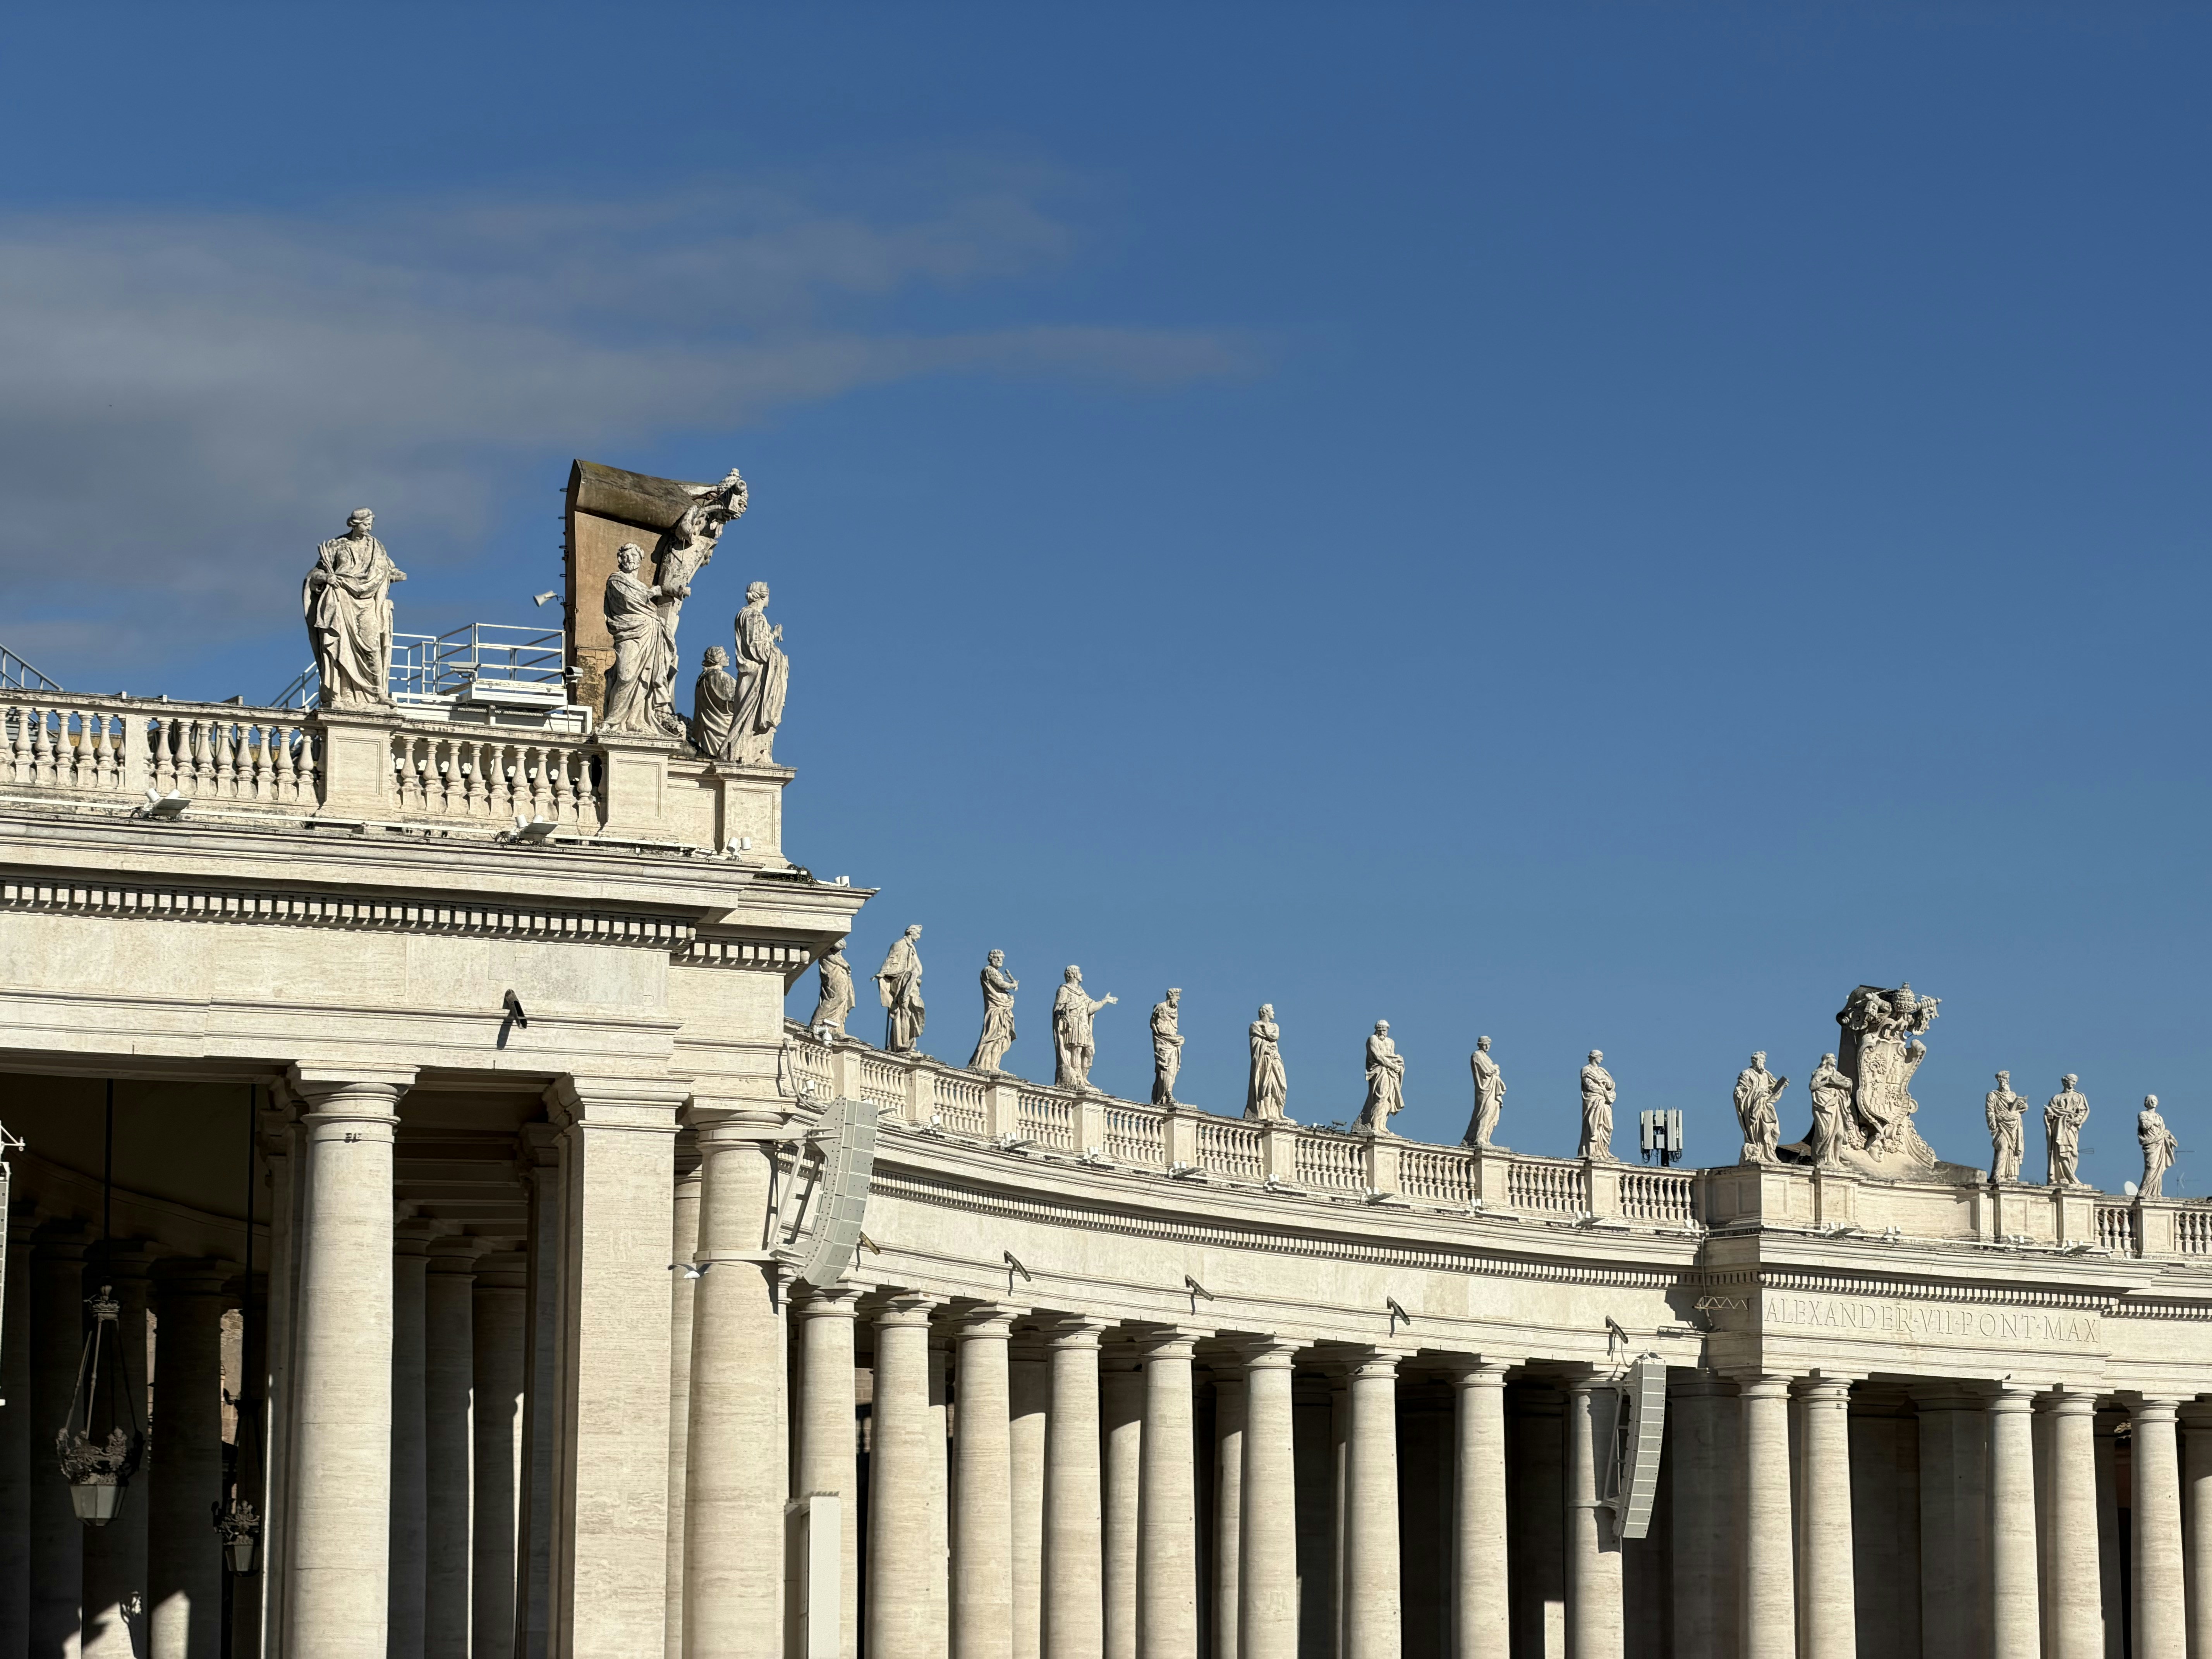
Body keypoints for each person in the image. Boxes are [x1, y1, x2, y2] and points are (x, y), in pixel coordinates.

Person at [304, 508, 405, 709]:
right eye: (365, 524)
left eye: (370, 524)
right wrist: (326, 577)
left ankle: (378, 694)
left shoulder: (377, 547)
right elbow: (315, 575)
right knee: (342, 647)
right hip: (342, 599)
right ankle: (345, 693)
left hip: (369, 603)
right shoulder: (337, 545)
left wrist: (392, 576)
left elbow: (391, 570)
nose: (369, 528)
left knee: (373, 645)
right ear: (354, 524)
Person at [601, 543, 679, 734]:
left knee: (644, 677)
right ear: (620, 560)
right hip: (629, 632)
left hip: (650, 631)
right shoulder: (616, 580)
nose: (630, 559)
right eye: (626, 556)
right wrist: (651, 594)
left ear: (640, 560)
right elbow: (629, 601)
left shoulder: (641, 586)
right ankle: (613, 721)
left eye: (634, 556)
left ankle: (634, 720)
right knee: (626, 675)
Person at [725, 581, 789, 764]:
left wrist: (773, 635)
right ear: (762, 596)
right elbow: (759, 649)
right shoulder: (755, 616)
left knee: (745, 714)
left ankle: (750, 752)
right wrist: (779, 656)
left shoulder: (743, 615)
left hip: (750, 672)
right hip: (758, 674)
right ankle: (745, 754)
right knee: (752, 715)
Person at [1052, 967, 1117, 1089]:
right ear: (1074, 974)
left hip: (1084, 1025)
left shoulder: (1083, 993)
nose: (1082, 974)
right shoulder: (1064, 990)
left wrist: (1105, 1001)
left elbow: (1091, 1008)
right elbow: (1058, 1007)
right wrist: (1066, 1008)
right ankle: (1077, 1078)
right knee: (1076, 1050)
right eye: (1080, 972)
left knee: (1090, 1051)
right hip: (1074, 1023)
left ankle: (1084, 1077)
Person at [875, 926, 925, 1053]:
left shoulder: (912, 948)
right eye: (918, 933)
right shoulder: (899, 945)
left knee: (909, 1012)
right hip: (900, 980)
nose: (919, 937)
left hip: (910, 982)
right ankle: (901, 1043)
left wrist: (914, 954)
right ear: (910, 932)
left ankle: (903, 1042)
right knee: (903, 1011)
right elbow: (891, 960)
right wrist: (882, 973)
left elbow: (919, 970)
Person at [969, 950, 1018, 1073]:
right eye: (998, 958)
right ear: (991, 959)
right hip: (996, 1009)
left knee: (1002, 1037)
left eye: (1002, 958)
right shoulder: (989, 971)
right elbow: (1001, 984)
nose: (1000, 960)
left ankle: (993, 1065)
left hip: (1003, 1008)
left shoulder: (997, 973)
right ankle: (981, 1063)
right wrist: (1013, 985)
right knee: (992, 1036)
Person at [1734, 1053, 1788, 1165]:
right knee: (1759, 1130)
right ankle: (1760, 1152)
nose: (1764, 1061)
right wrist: (1738, 1092)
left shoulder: (1766, 1074)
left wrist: (1782, 1085)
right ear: (1755, 1061)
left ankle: (1769, 1153)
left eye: (1764, 1059)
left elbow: (1775, 1086)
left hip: (1766, 1104)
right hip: (1753, 1105)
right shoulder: (1747, 1074)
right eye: (1762, 1059)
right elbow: (1740, 1088)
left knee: (1774, 1131)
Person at [1357, 1020, 1406, 1136]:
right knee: (1381, 1096)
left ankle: (1382, 1126)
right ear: (1377, 1029)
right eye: (1381, 1030)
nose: (1384, 1032)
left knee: (1389, 1100)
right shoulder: (1372, 1039)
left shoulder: (1391, 1042)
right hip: (1379, 1071)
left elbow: (1391, 1056)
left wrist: (1398, 1062)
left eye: (1386, 1030)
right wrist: (1394, 1066)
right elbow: (1378, 1056)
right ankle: (1375, 1126)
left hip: (1390, 1073)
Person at [1808, 1053, 1853, 1169]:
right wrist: (1826, 1082)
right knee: (1825, 1133)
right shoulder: (1820, 1073)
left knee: (1839, 1134)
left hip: (1835, 1105)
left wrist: (1835, 1082)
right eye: (1833, 1058)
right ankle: (1823, 1158)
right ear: (1826, 1061)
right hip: (1824, 1106)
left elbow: (1848, 1083)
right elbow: (1813, 1086)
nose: (1836, 1060)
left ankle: (1836, 1160)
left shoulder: (1836, 1074)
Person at [2045, 1074, 2090, 1188]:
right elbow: (2051, 1116)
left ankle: (2071, 1175)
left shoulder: (2079, 1096)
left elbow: (2084, 1111)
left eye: (2076, 1081)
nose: (2074, 1083)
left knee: (2073, 1152)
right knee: (2061, 1151)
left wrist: (2076, 1119)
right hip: (2059, 1127)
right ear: (2065, 1082)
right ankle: (2064, 1177)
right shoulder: (2056, 1098)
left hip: (2072, 1128)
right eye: (2072, 1081)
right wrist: (2050, 1113)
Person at [692, 646, 737, 756]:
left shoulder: (702, 678)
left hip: (707, 727)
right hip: (723, 727)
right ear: (718, 658)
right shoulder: (721, 677)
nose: (728, 658)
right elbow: (733, 702)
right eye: (725, 655)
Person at [1246, 1005, 1288, 1121]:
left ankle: (1279, 1113)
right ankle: (1267, 1113)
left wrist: (1266, 1033)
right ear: (1265, 1012)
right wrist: (1266, 1044)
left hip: (1275, 1059)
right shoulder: (1255, 1025)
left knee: (1282, 1086)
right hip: (1265, 1060)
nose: (1274, 1012)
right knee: (1266, 1085)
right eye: (1272, 1010)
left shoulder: (1275, 1026)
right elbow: (1255, 1043)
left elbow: (1275, 1037)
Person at [1985, 1070, 2028, 1184]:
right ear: (2000, 1080)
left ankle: (2011, 1175)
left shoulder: (2013, 1095)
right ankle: (1997, 1175)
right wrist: (1993, 1125)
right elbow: (1990, 1111)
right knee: (2003, 1147)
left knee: (2012, 1151)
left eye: (2008, 1079)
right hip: (2001, 1125)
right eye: (2005, 1079)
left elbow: (2019, 1108)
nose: (2007, 1081)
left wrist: (2024, 1107)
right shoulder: (1992, 1095)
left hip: (2014, 1125)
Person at [1463, 1035, 1506, 1149]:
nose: (1487, 1047)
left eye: (1489, 1044)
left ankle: (1481, 1137)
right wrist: (1496, 1069)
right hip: (1485, 1089)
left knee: (1492, 1113)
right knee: (1484, 1111)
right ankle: (1479, 1138)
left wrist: (1495, 1069)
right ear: (1480, 1045)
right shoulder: (1477, 1055)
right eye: (1485, 1044)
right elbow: (1487, 1072)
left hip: (1492, 1088)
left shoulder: (1487, 1058)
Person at [1580, 1050, 1617, 1162]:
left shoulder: (1602, 1071)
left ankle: (1604, 1151)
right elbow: (1589, 1085)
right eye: (1600, 1056)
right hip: (1594, 1100)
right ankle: (1594, 1151)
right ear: (1594, 1057)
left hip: (1605, 1102)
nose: (1602, 1059)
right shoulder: (1586, 1070)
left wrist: (1604, 1082)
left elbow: (1612, 1084)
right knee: (1594, 1126)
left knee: (1608, 1127)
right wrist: (1602, 1091)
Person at [2140, 1094, 2179, 1199]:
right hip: (2151, 1144)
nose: (2153, 1102)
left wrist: (2166, 1134)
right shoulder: (2143, 1114)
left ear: (2157, 1103)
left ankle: (2155, 1193)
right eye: (2150, 1101)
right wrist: (2154, 1122)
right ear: (2146, 1103)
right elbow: (2144, 1125)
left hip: (2160, 1144)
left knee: (2159, 1169)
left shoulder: (2160, 1117)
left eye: (2154, 1101)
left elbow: (2161, 1130)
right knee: (2152, 1167)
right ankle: (2144, 1191)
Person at [1150, 989, 1185, 1107]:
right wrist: (1174, 1039)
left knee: (1172, 1070)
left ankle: (1167, 1094)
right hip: (1163, 1044)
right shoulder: (1161, 1007)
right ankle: (1167, 1095)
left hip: (1172, 1044)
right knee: (1165, 1069)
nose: (1179, 999)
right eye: (1177, 997)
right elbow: (1158, 1028)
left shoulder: (1175, 1010)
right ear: (1172, 996)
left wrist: (1175, 1039)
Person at [809, 946, 854, 1036]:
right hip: (830, 963)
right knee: (837, 997)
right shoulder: (827, 939)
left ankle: (836, 1028)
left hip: (839, 966)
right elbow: (838, 945)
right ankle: (817, 1023)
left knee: (844, 998)